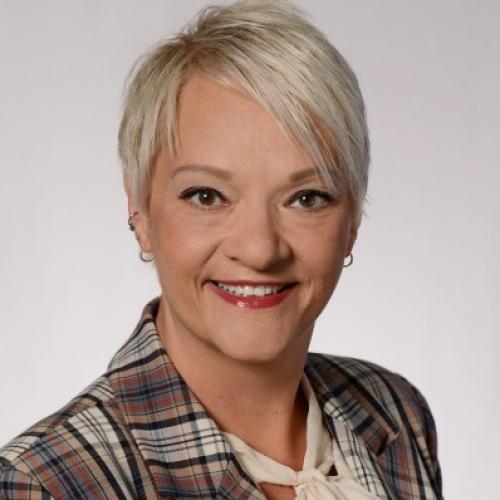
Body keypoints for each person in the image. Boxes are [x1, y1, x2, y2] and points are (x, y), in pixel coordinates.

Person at [0, 0, 442, 498]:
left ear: (353, 220)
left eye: (306, 198)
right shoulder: (45, 484)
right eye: (206, 196)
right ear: (140, 212)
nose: (259, 249)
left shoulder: (395, 412)